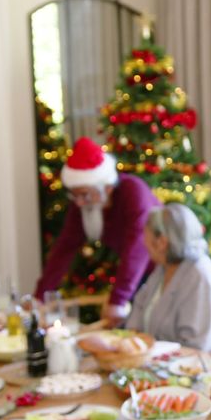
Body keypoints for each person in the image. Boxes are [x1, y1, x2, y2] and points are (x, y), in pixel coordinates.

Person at [34, 137, 162, 324]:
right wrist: (40, 297)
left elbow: (137, 249)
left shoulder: (133, 192)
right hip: (138, 276)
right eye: (74, 194)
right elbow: (63, 249)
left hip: (162, 269)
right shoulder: (84, 205)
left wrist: (118, 300)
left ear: (107, 188)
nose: (78, 202)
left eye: (84, 194)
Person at [123, 203, 211, 351]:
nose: (144, 244)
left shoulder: (199, 275)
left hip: (199, 365)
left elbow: (196, 345)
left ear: (162, 242)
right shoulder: (163, 268)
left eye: (146, 238)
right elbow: (140, 307)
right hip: (157, 361)